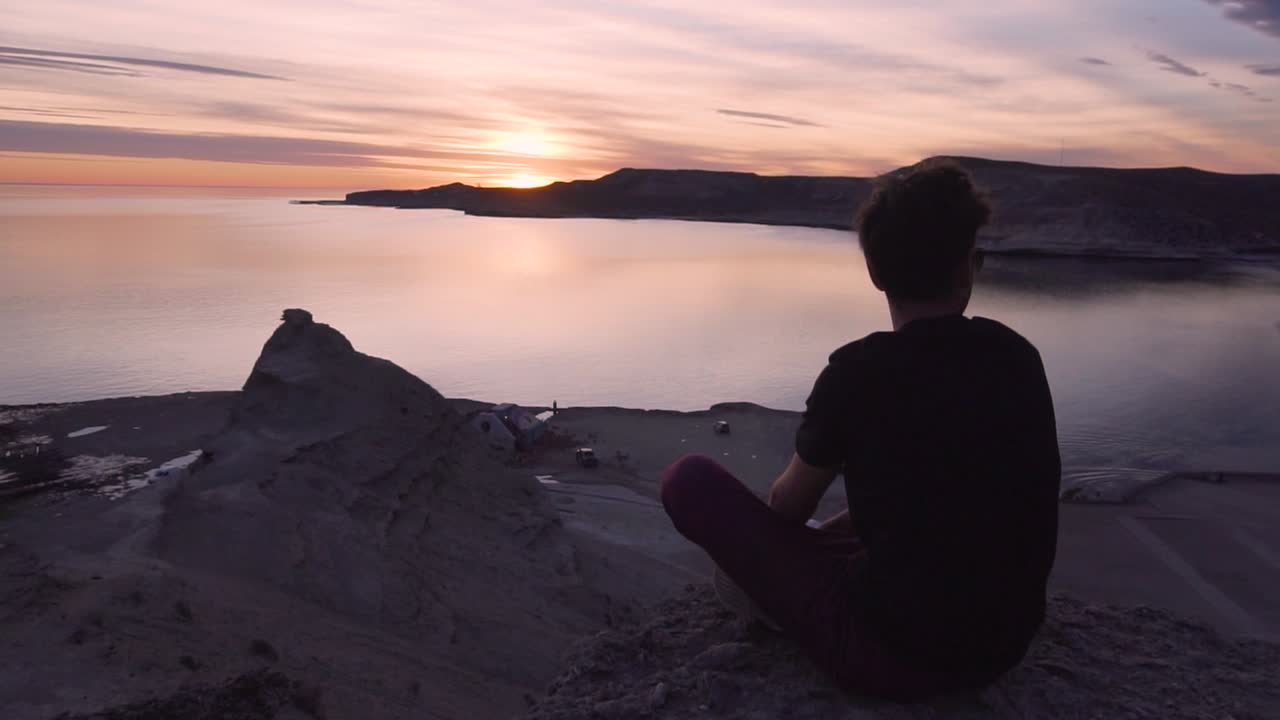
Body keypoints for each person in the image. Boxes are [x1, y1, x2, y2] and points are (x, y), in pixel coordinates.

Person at [660, 160, 1060, 701]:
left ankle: (776, 605)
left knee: (689, 480)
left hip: (892, 658)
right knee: (904, 513)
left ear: (875, 272)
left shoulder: (858, 373)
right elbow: (981, 489)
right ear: (967, 269)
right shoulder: (1017, 356)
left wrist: (777, 555)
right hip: (1005, 644)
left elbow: (787, 509)